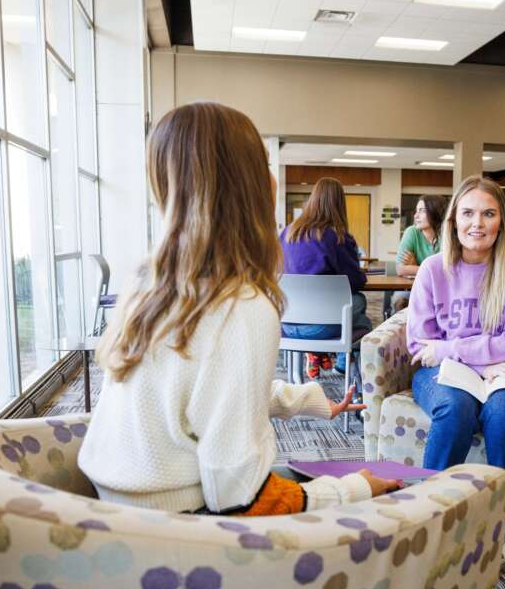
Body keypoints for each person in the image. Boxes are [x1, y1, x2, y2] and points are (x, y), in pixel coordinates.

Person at [78, 103, 399, 516]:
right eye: (263, 162)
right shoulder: (241, 306)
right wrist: (353, 489)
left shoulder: (150, 282)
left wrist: (303, 399)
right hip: (182, 529)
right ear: (246, 184)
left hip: (116, 509)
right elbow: (238, 495)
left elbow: (195, 397)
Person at [406, 175, 505, 562]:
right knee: (456, 406)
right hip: (444, 375)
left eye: (488, 214)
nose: (477, 224)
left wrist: (451, 348)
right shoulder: (433, 269)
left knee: (503, 409)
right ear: (453, 219)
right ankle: (427, 513)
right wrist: (468, 355)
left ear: (502, 221)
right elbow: (419, 345)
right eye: (467, 213)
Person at [280, 177, 372, 378]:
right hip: (321, 327)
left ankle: (316, 354)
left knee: (343, 308)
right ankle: (344, 368)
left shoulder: (288, 233)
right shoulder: (338, 237)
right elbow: (356, 282)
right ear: (339, 204)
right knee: (360, 307)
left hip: (285, 324)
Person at [391, 194, 447, 312]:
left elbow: (448, 269)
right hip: (412, 287)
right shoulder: (412, 232)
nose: (416, 215)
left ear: (435, 211)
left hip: (442, 288)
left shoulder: (448, 235)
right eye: (416, 211)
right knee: (400, 299)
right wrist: (429, 269)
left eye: (422, 211)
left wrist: (415, 266)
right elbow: (400, 269)